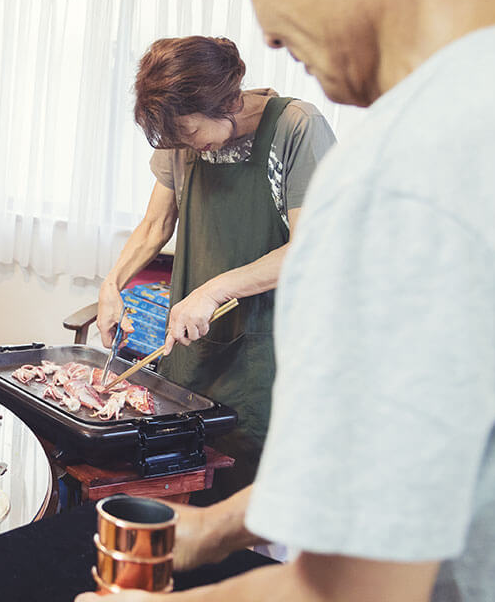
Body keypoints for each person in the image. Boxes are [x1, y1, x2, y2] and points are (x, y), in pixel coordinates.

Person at [76, 0, 495, 601]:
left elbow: (352, 588)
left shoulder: (409, 167)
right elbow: (452, 456)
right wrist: (215, 527)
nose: (268, 34)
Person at [96, 35, 335, 494]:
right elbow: (155, 224)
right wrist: (112, 285)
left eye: (188, 133)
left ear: (226, 100)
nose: (185, 146)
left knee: (254, 497)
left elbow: (313, 248)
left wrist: (212, 290)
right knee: (181, 485)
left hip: (271, 353)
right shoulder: (178, 137)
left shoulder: (296, 127)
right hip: (194, 344)